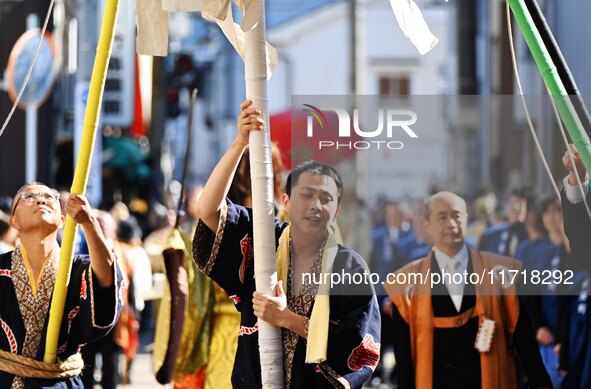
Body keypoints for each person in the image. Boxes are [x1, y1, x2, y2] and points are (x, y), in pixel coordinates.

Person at [192, 100, 381, 388]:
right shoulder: (263, 240)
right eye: (306, 195)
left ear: (337, 210)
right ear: (286, 202)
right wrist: (239, 144)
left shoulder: (349, 266)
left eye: (326, 199)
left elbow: (360, 348)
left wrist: (288, 319)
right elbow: (208, 210)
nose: (316, 206)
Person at [385, 191, 551, 389]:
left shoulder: (500, 274)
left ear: (466, 218)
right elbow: (404, 358)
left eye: (456, 216)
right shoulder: (407, 283)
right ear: (427, 224)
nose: (451, 223)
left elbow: (526, 344)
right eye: (442, 217)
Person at [0, 183, 123, 388]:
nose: (41, 200)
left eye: (50, 197)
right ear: (13, 221)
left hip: (60, 382)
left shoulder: (78, 268)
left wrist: (89, 222)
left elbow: (105, 280)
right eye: (29, 196)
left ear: (62, 220)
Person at [479, 189, 529, 257]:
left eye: (519, 205)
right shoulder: (493, 235)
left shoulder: (531, 235)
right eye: (512, 204)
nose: (516, 208)